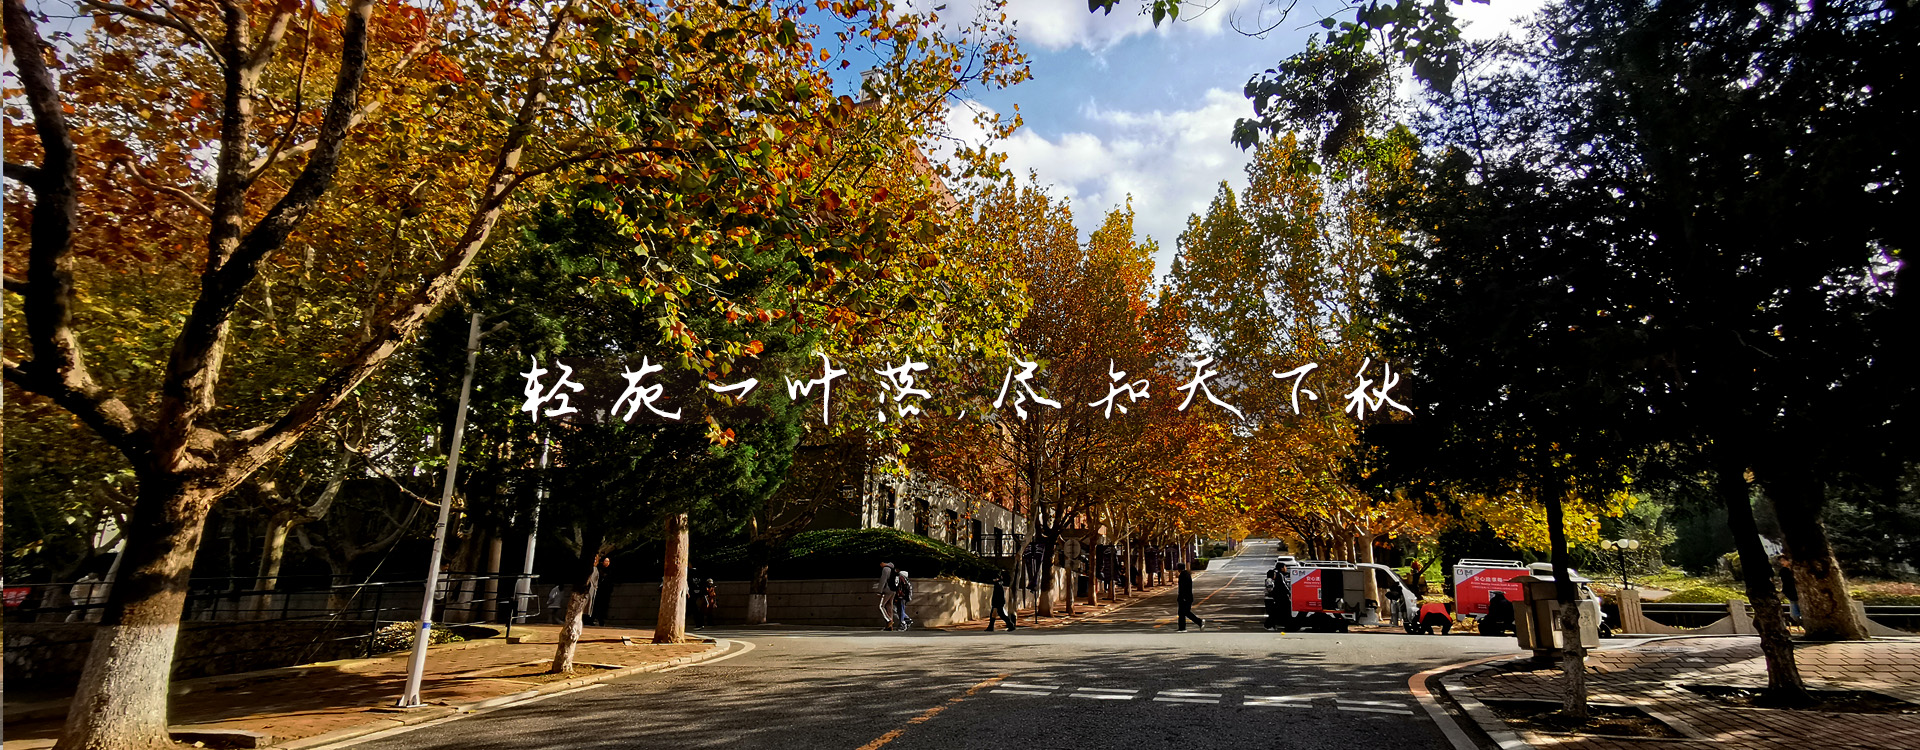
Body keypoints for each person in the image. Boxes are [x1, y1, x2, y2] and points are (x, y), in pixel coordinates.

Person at [1176, 563, 1204, 631]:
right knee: (1182, 612)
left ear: (1179, 569)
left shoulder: (1183, 575)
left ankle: (1199, 621)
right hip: (1187, 597)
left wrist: (1183, 597)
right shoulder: (1187, 574)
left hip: (1185, 597)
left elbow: (1183, 588)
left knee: (1185, 612)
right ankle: (1182, 627)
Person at [1776, 555, 1801, 623]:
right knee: (1795, 615)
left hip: (1796, 595)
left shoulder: (1796, 570)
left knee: (1795, 615)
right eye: (1780, 561)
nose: (1782, 562)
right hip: (1792, 595)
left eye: (1783, 560)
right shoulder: (1784, 571)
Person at [877, 561, 898, 630]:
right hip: (893, 590)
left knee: (881, 606)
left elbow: (883, 580)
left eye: (881, 563)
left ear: (883, 562)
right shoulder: (893, 569)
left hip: (887, 590)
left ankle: (889, 620)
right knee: (889, 607)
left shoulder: (885, 569)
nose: (880, 565)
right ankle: (889, 627)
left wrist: (879, 591)